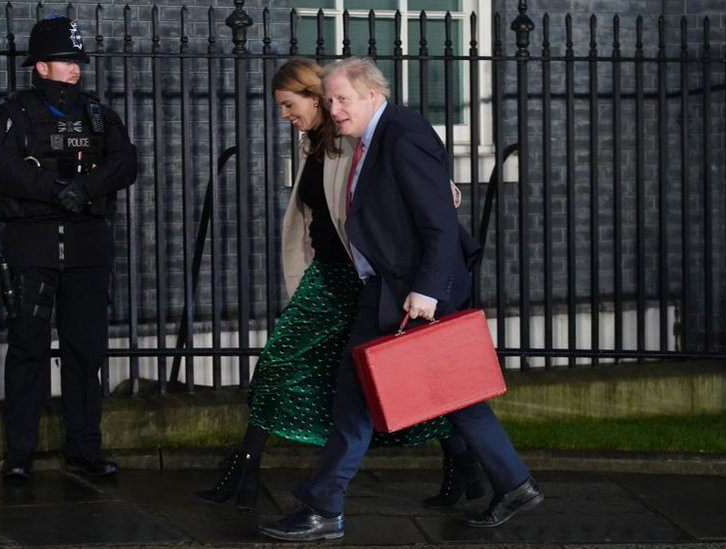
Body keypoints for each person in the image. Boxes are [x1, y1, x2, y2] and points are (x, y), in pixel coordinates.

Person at [258, 56, 543, 542]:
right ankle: (513, 483)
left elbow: (437, 224)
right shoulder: (367, 139)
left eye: (342, 99)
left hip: (410, 295)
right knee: (455, 397)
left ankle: (323, 509)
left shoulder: (403, 134)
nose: (335, 109)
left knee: (355, 401)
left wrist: (426, 291)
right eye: (329, 100)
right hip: (389, 288)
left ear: (373, 94)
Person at [193, 58, 480, 511]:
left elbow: (416, 190)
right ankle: (462, 462)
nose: (286, 114)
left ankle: (255, 475)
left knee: (306, 366)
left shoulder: (355, 141)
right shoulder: (319, 143)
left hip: (355, 279)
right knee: (366, 380)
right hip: (328, 273)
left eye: (291, 104)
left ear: (315, 97)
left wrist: (443, 189)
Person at [0, 14, 138, 480]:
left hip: (88, 247)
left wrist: (85, 188)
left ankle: (84, 447)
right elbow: (2, 167)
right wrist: (56, 191)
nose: (74, 69)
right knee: (27, 346)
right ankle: (20, 452)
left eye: (76, 62)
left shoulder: (96, 114)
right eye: (64, 61)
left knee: (85, 350)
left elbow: (124, 161)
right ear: (41, 67)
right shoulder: (13, 114)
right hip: (32, 245)